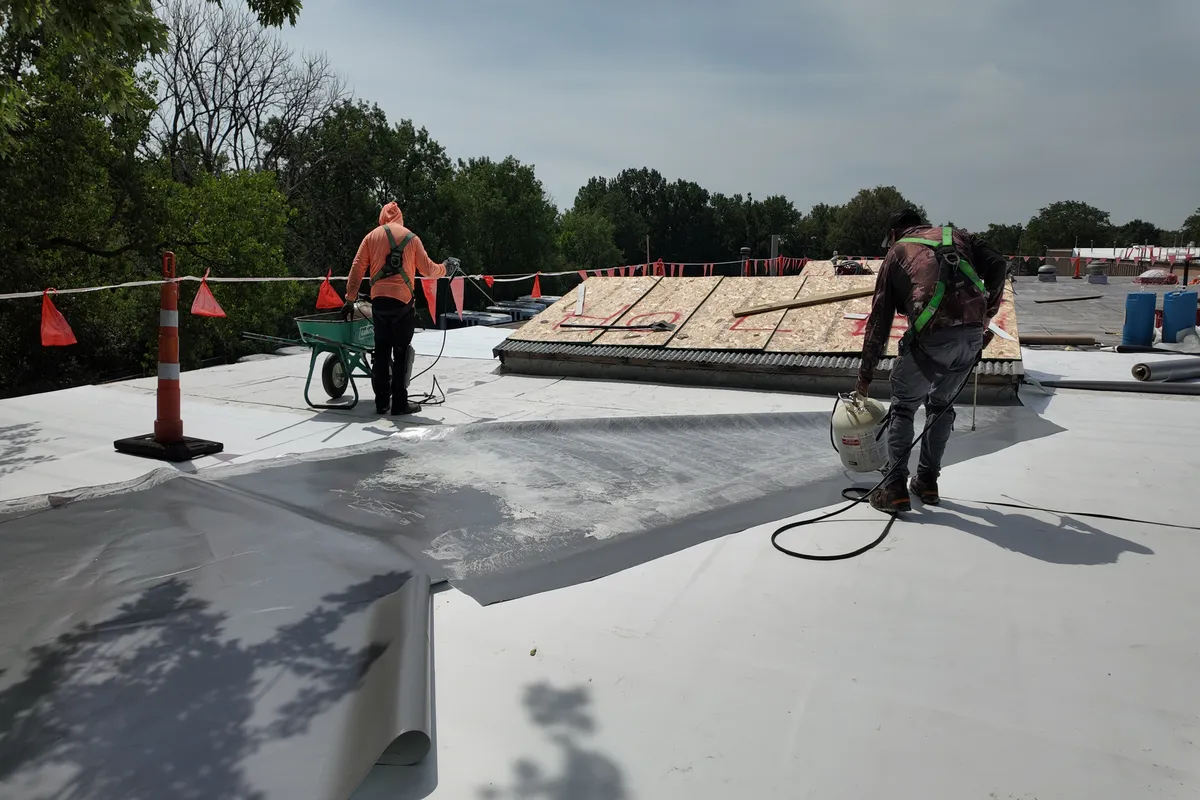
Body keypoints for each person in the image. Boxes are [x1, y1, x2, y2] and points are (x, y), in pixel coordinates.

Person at [853, 209, 1008, 513]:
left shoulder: (897, 253)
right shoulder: (959, 236)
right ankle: (927, 481)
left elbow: (879, 323)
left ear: (895, 233)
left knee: (904, 407)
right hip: (972, 335)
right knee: (940, 407)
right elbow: (999, 264)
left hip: (932, 336)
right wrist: (988, 313)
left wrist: (865, 376)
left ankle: (895, 488)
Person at [344, 201, 459, 416]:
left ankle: (381, 403)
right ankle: (399, 403)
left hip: (379, 303)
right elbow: (428, 270)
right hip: (403, 304)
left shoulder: (371, 237)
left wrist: (350, 299)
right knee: (401, 352)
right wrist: (446, 268)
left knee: (381, 351)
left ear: (381, 217)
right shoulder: (411, 238)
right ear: (400, 218)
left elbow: (357, 267)